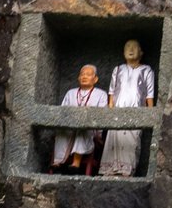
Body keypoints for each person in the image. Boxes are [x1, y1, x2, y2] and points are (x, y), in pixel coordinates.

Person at [99, 40, 155, 177]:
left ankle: (127, 172)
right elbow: (111, 91)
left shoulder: (147, 70)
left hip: (136, 113)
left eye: (134, 47)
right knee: (114, 142)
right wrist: (111, 110)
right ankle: (110, 171)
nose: (130, 49)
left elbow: (149, 93)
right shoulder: (118, 69)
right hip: (117, 112)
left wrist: (150, 113)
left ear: (141, 52)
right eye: (127, 47)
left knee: (131, 143)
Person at [50, 65, 105, 174]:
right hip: (70, 126)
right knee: (61, 130)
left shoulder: (101, 94)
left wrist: (99, 135)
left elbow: (102, 115)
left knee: (82, 128)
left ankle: (76, 163)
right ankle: (57, 161)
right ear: (78, 78)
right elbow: (63, 112)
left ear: (95, 79)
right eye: (82, 74)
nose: (84, 76)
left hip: (89, 128)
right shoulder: (71, 93)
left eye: (88, 75)